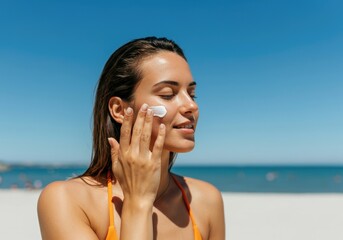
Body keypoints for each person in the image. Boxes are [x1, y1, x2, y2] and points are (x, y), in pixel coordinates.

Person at [37, 37, 225, 240]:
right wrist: (139, 202)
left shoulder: (206, 199)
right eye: (168, 94)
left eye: (192, 94)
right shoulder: (67, 201)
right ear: (119, 110)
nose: (191, 106)